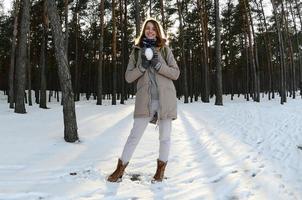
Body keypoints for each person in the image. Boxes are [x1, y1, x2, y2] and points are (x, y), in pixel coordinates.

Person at [107, 18, 180, 183]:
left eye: (153, 28)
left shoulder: (165, 50)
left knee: (165, 137)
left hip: (165, 100)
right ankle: (120, 169)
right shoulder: (136, 52)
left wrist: (158, 65)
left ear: (158, 31)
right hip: (144, 101)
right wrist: (143, 66)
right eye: (147, 28)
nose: (150, 31)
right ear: (143, 31)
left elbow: (175, 73)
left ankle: (160, 172)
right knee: (134, 136)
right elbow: (128, 77)